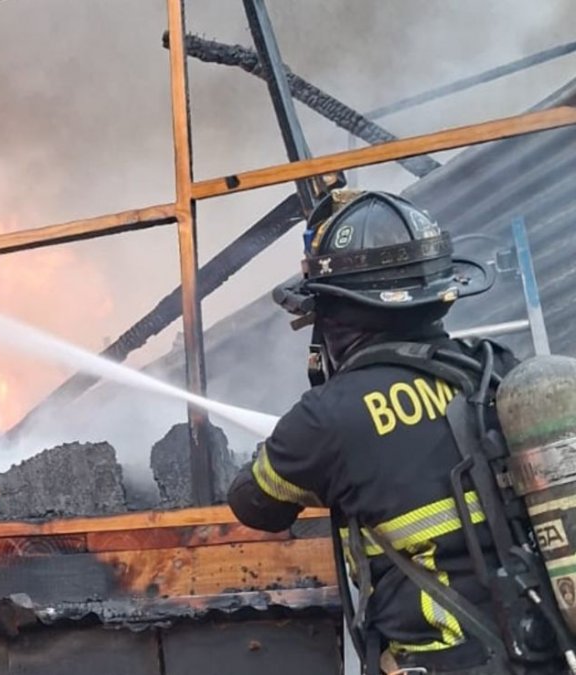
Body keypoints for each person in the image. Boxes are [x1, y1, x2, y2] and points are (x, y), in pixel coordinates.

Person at [227, 189, 548, 674]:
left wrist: (280, 451)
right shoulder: (493, 369)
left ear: (334, 315)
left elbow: (254, 504)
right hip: (543, 647)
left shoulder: (326, 419)